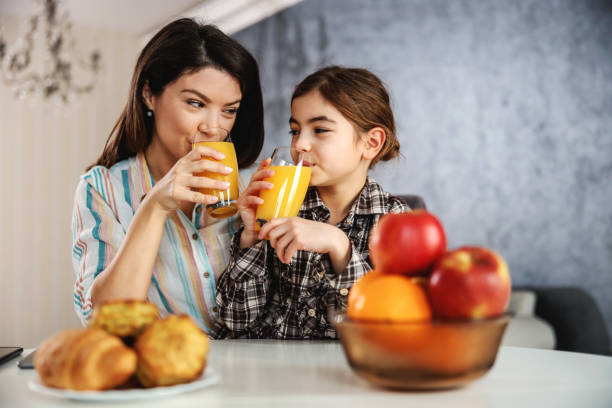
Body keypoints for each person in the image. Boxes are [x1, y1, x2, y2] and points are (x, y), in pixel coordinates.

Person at [71, 18, 264, 336]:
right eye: (196, 103)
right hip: (164, 374)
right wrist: (155, 206)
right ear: (149, 94)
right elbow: (103, 321)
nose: (213, 127)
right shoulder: (102, 189)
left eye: (229, 110)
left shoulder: (249, 184)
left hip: (251, 374)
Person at [216, 66, 411, 339]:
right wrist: (250, 235)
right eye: (295, 130)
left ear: (371, 142)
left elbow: (386, 332)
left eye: (320, 130)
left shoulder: (396, 221)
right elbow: (236, 319)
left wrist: (339, 246)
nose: (300, 144)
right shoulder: (280, 203)